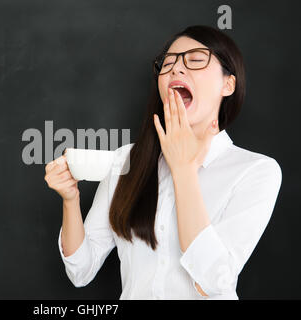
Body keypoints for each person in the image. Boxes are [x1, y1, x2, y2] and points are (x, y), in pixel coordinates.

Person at [44, 25, 282, 300]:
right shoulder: (127, 160)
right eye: (167, 64)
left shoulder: (256, 171)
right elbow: (81, 271)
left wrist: (183, 170)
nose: (176, 70)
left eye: (195, 61)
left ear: (228, 84)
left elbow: (213, 283)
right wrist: (70, 200)